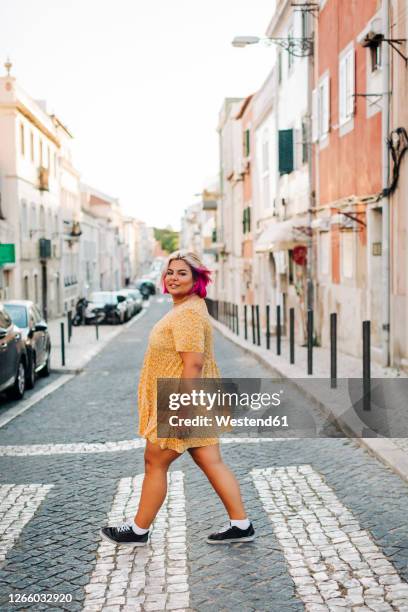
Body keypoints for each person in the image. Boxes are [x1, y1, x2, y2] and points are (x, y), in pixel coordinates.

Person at [100, 250, 255, 546]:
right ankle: (241, 524)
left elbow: (193, 364)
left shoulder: (187, 315)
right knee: (211, 461)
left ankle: (138, 530)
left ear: (197, 279)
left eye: (182, 273)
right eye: (170, 272)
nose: (173, 278)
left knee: (154, 462)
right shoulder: (188, 308)